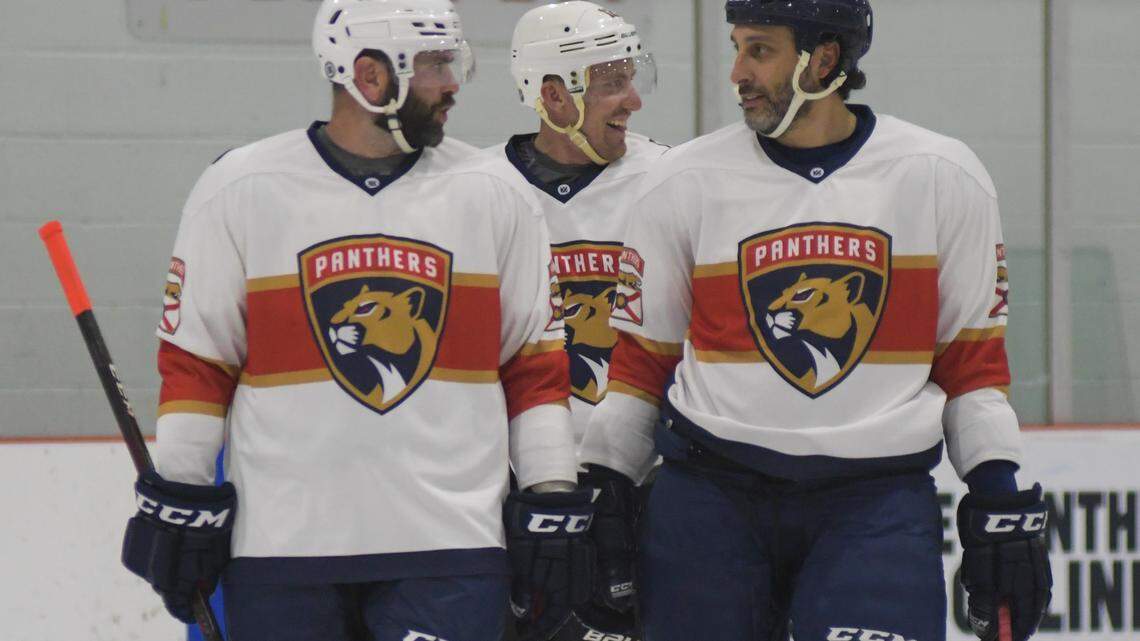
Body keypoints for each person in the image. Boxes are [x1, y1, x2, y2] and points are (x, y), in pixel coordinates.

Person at [577, 1, 1053, 641]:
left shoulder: (943, 177)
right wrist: (605, 487)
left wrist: (995, 491)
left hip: (873, 504)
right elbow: (639, 366)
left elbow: (973, 369)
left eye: (760, 51)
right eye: (737, 47)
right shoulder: (683, 180)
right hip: (709, 499)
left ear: (825, 60)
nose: (737, 72)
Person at [119, 1, 594, 639]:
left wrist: (550, 492)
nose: (453, 82)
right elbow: (198, 362)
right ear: (370, 77)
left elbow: (534, 366)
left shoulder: (495, 193)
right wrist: (180, 493)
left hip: (451, 546)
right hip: (283, 548)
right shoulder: (240, 187)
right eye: (433, 64)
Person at [492, 4, 666, 639]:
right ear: (554, 96)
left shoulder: (676, 180)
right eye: (611, 83)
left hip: (648, 495)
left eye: (632, 76)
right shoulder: (475, 190)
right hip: (510, 499)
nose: (633, 100)